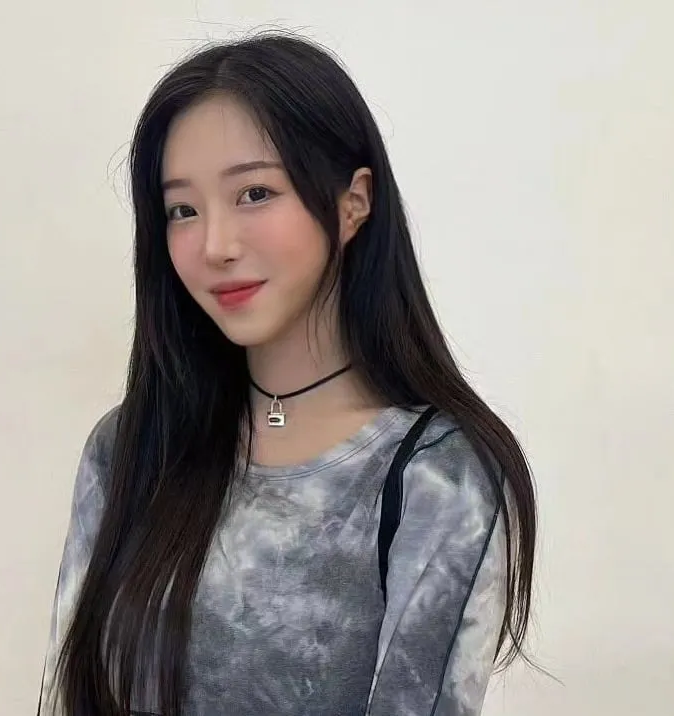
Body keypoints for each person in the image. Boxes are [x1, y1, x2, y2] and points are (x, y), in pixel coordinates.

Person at [38, 32, 537, 716]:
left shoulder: (438, 476)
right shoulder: (129, 446)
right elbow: (69, 693)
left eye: (255, 193)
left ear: (353, 202)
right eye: (183, 209)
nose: (215, 245)